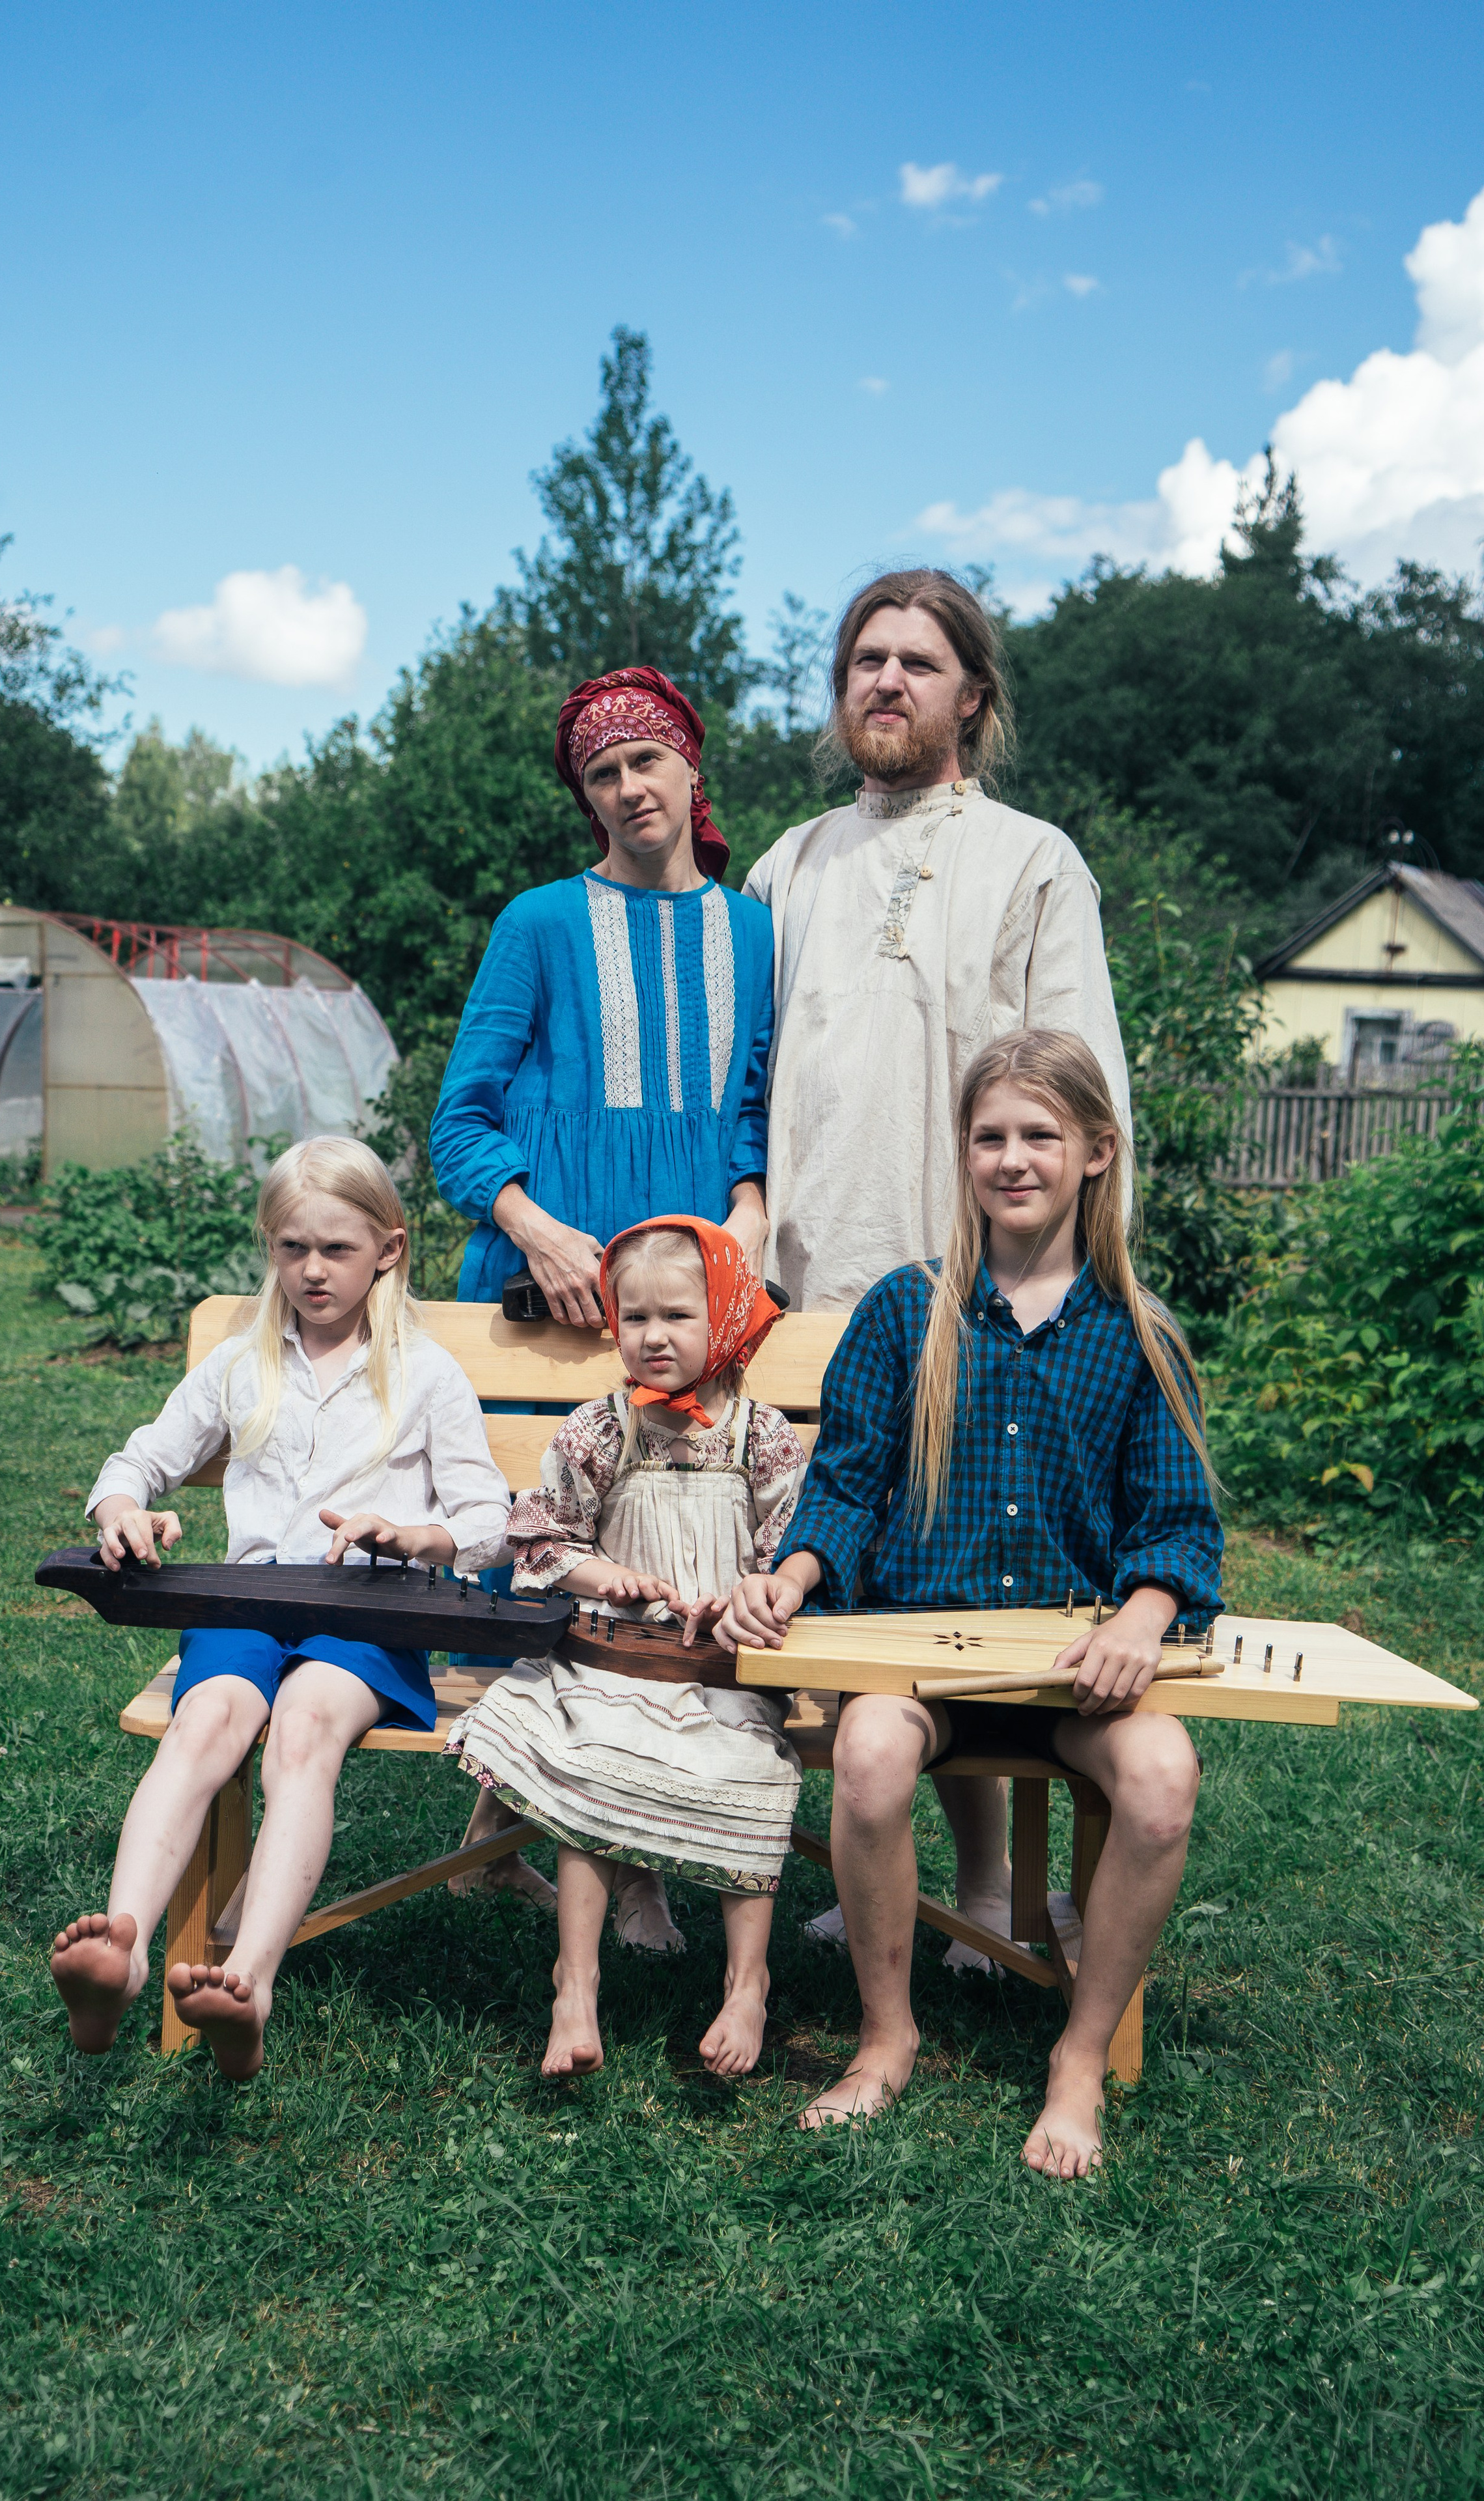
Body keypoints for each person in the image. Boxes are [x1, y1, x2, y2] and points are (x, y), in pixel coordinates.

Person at [716, 1031, 1220, 2176]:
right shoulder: (908, 1313)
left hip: (1070, 1670)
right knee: (873, 1754)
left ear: (1097, 1151)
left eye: (1040, 1135)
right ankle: (887, 2035)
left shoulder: (1139, 1334)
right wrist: (793, 1577)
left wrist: (1142, 1617)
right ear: (963, 1154)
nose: (1013, 1158)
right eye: (989, 1136)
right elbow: (844, 1486)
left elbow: (1179, 1524)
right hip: (926, 1656)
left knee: (1164, 1778)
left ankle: (1079, 2056)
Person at [744, 567, 1134, 1965]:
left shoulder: (1030, 860)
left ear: (972, 694)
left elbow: (1083, 1091)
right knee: (847, 1579)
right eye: (863, 660)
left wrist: (1068, 1274)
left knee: (966, 1577)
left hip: (977, 1285)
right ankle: (856, 1875)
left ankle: (983, 1900)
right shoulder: (785, 865)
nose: (884, 683)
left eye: (916, 662)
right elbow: (753, 1076)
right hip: (806, 1288)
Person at [430, 664, 776, 1942]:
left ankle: (601, 1840)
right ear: (587, 799)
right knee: (572, 1549)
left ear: (691, 769)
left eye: (645, 761)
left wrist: (741, 1214)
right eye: (600, 773)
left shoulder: (754, 931)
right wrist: (533, 1223)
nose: (628, 788)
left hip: (686, 1316)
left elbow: (752, 1106)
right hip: (543, 1305)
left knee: (678, 1551)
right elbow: (459, 1123)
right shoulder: (538, 924)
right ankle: (603, 1853)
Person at [48, 1137, 511, 2080]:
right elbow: (138, 1459)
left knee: (304, 1730)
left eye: (335, 1250)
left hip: (370, 1613)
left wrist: (415, 1538)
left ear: (388, 1248)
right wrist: (125, 1511)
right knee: (207, 1720)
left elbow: (487, 1520)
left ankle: (248, 1982)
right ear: (270, 1247)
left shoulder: (423, 1373)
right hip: (248, 1598)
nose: (311, 1271)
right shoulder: (242, 1364)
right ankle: (124, 1954)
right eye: (291, 1248)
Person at [446, 1217, 807, 2079]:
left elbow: (788, 1550)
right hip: (606, 1661)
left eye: (677, 1317)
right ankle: (576, 1988)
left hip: (724, 1667)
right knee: (595, 1758)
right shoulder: (599, 1430)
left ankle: (746, 1986)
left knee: (753, 1777)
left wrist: (748, 1597)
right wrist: (602, 1575)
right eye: (633, 1316)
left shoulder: (763, 1438)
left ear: (722, 1319)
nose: (652, 1337)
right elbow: (541, 1536)